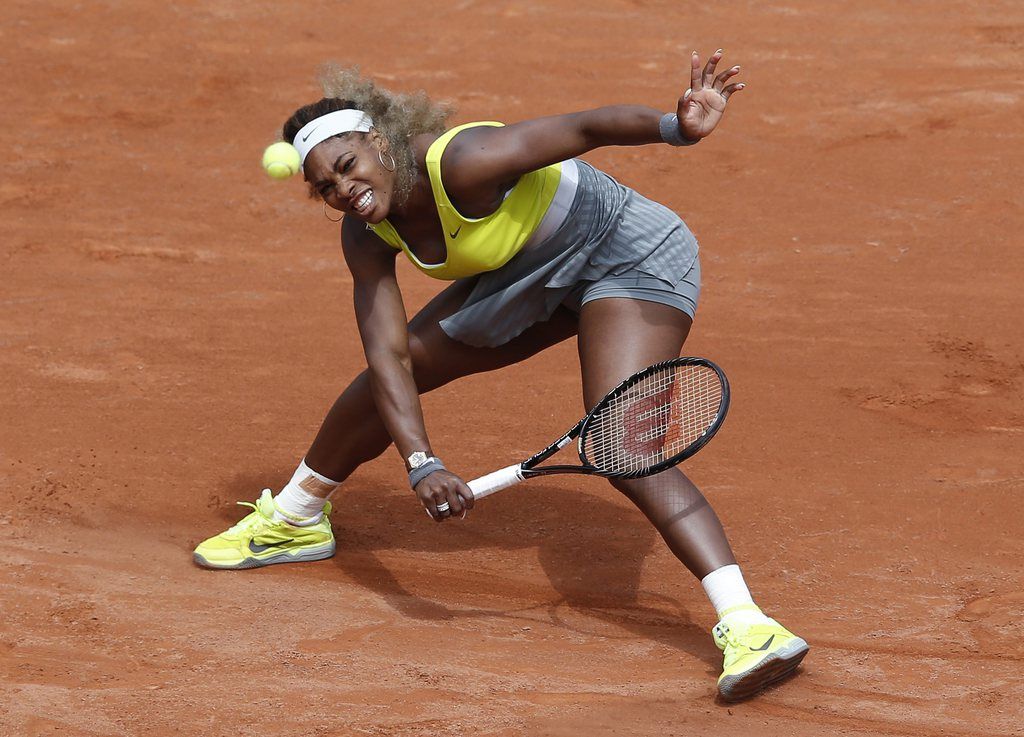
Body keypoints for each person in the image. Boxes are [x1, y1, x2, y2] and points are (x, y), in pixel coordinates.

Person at [193, 50, 808, 701]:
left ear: (378, 142)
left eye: (346, 167)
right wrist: (422, 462)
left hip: (628, 256)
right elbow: (388, 355)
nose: (342, 189)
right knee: (388, 376)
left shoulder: (462, 160)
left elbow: (582, 128)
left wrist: (675, 127)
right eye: (325, 187)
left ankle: (750, 625)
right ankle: (295, 517)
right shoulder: (366, 234)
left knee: (623, 446)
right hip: (526, 278)